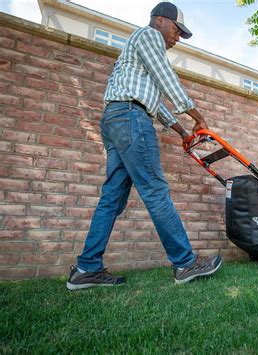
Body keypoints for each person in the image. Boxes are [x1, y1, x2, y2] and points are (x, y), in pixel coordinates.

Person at [66, 2, 222, 290]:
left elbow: (152, 99)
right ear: (161, 21)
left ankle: (87, 268)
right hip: (130, 119)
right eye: (177, 30)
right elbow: (167, 79)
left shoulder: (137, 56)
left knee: (112, 197)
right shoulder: (149, 37)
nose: (178, 37)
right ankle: (185, 262)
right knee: (155, 190)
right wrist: (199, 117)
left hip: (117, 119)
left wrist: (180, 130)